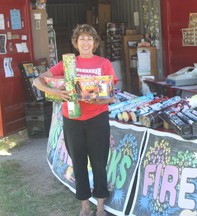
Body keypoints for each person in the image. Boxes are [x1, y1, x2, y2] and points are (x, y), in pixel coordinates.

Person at [33, 24, 118, 216]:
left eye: (89, 38)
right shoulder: (67, 63)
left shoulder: (104, 63)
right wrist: (53, 91)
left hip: (97, 118)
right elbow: (37, 80)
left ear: (95, 43)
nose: (85, 42)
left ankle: (101, 206)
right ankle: (85, 206)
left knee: (99, 162)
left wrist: (99, 99)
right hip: (72, 119)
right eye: (82, 38)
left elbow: (111, 96)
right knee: (78, 162)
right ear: (76, 43)